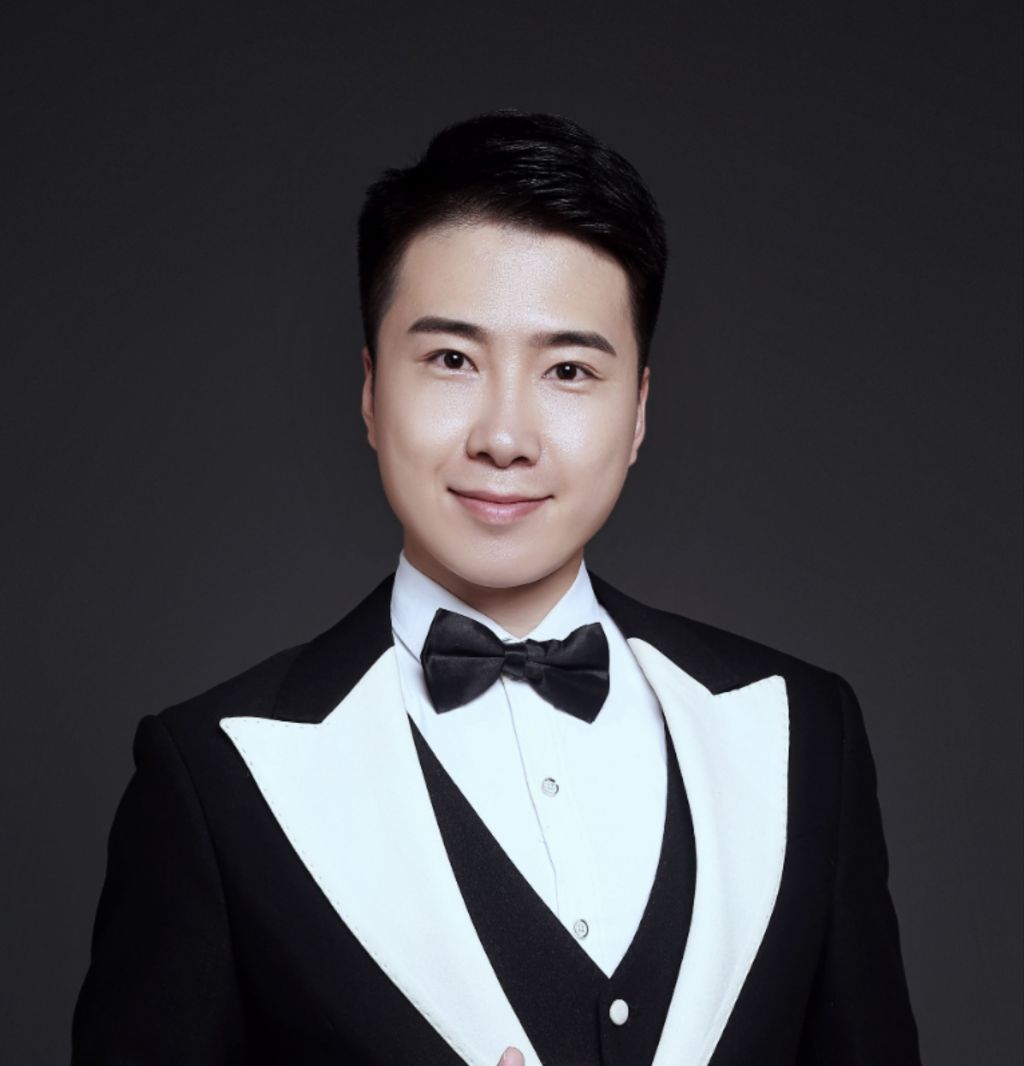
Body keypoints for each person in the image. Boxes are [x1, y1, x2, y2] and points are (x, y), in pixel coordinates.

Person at [71, 109, 921, 1065]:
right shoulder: (214, 778)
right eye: (452, 360)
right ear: (370, 390)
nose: (505, 436)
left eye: (569, 369)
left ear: (639, 411)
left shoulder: (802, 733)